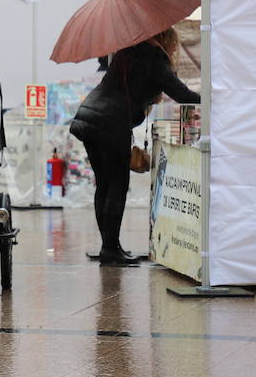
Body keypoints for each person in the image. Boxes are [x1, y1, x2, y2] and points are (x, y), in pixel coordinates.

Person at [67, 27, 200, 266]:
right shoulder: (154, 58)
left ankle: (109, 246)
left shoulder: (127, 52)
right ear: (165, 41)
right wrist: (214, 98)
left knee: (104, 185)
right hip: (109, 123)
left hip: (88, 119)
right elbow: (183, 95)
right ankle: (110, 249)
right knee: (117, 185)